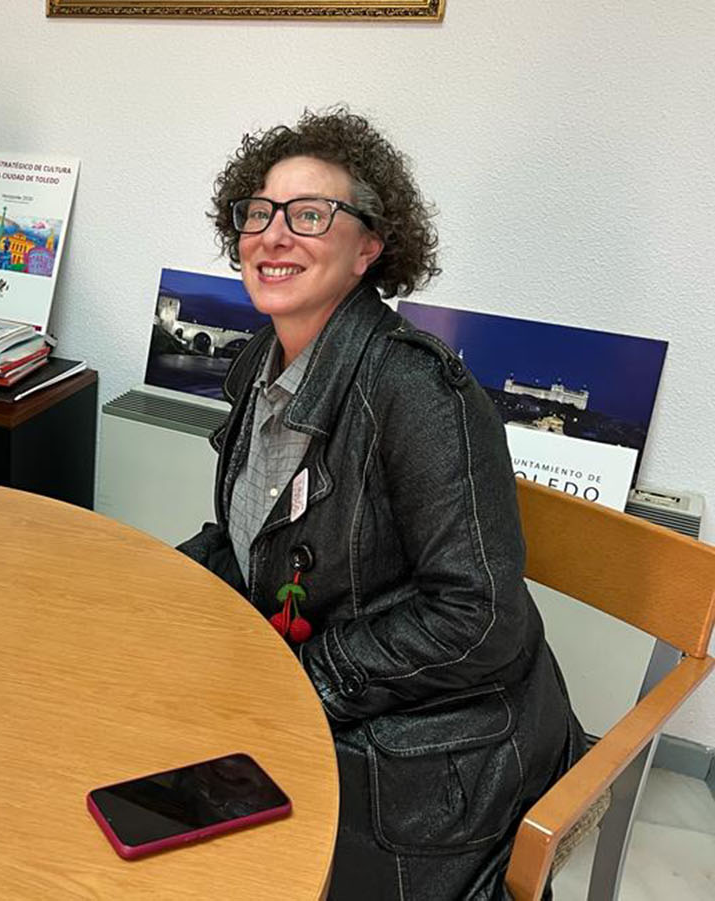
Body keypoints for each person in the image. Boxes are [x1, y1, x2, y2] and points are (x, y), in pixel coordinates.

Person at [177, 108, 583, 899]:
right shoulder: (259, 364)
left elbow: (479, 615)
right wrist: (154, 585)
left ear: (369, 247)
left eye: (309, 214)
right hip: (343, 705)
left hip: (431, 760)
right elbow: (252, 540)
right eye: (257, 213)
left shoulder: (419, 391)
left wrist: (304, 681)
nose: (272, 234)